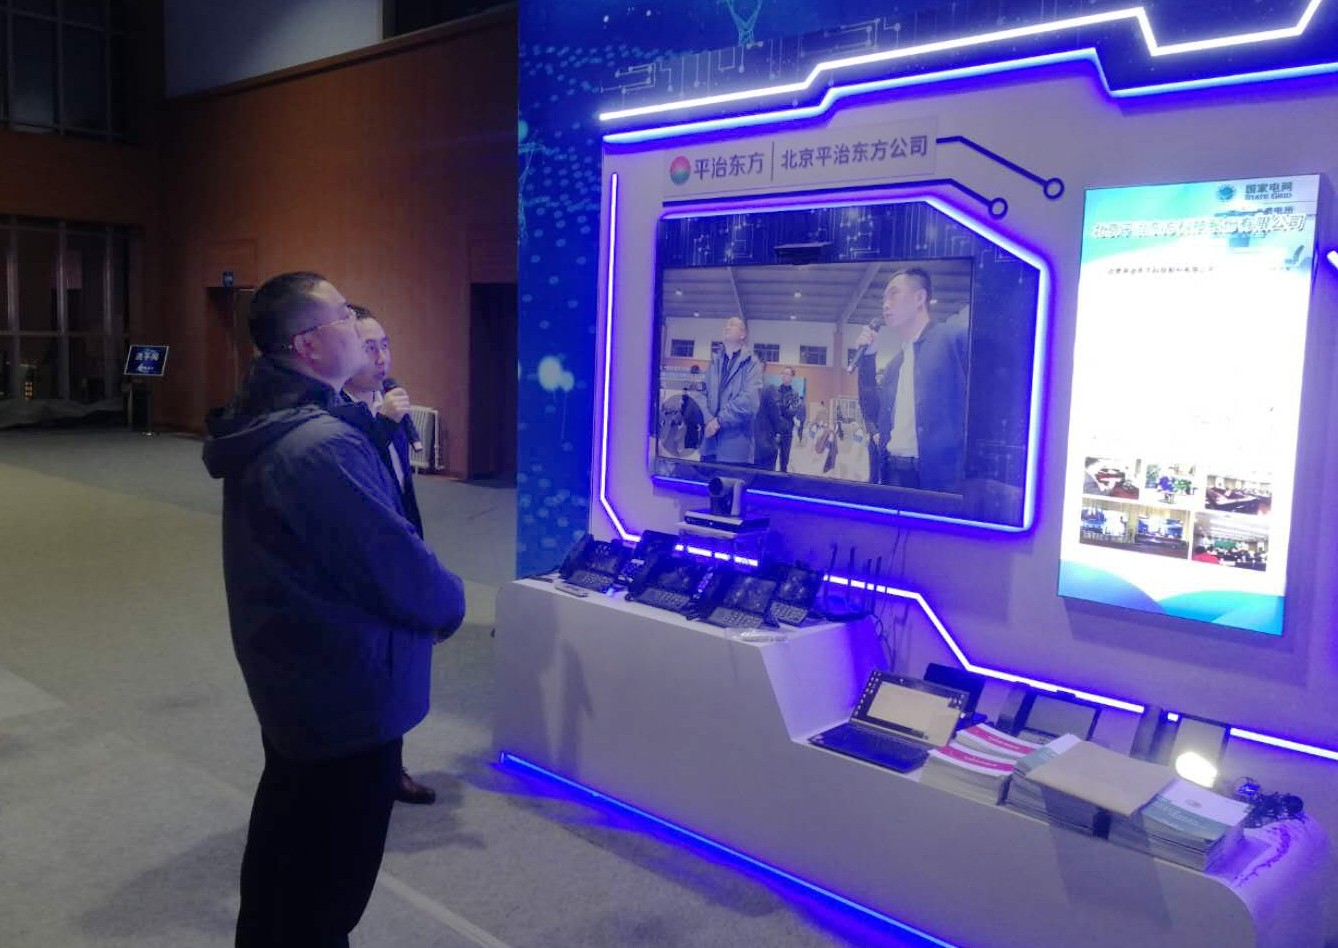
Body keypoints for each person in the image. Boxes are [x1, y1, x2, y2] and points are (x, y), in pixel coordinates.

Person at [202, 271, 466, 947]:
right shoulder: (322, 445)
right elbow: (392, 563)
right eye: (345, 315)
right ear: (309, 345)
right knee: (325, 887)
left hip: (298, 677)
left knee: (286, 858)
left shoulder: (271, 422)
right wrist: (451, 602)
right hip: (345, 690)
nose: (360, 328)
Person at [343, 304, 437, 806]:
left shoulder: (388, 404)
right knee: (363, 671)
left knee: (397, 667)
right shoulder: (333, 414)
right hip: (361, 563)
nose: (381, 358)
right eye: (369, 348)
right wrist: (381, 425)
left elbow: (400, 488)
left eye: (385, 345)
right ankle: (361, 772)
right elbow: (353, 480)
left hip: (398, 550)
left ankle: (390, 768)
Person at [854, 267, 968, 491]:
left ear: (919, 298)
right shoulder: (896, 364)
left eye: (893, 294)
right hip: (893, 474)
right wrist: (867, 359)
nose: (885, 304)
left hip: (939, 480)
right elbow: (873, 413)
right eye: (884, 299)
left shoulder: (953, 340)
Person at [699, 315, 761, 465]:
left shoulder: (752, 364)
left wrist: (719, 421)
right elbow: (701, 393)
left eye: (732, 324)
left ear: (742, 334)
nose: (726, 327)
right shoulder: (714, 362)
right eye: (725, 325)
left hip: (735, 452)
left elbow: (749, 402)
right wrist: (708, 419)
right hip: (709, 447)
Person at [752, 362, 785, 471]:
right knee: (765, 479)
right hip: (764, 447)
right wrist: (778, 433)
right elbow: (776, 417)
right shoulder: (768, 388)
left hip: (742, 449)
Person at [775, 366, 801, 469]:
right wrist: (785, 407)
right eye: (783, 373)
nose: (784, 376)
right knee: (771, 456)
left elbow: (793, 411)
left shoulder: (794, 394)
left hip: (787, 430)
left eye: (787, 374)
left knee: (784, 459)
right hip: (774, 429)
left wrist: (781, 408)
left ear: (792, 377)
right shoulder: (775, 391)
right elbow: (773, 410)